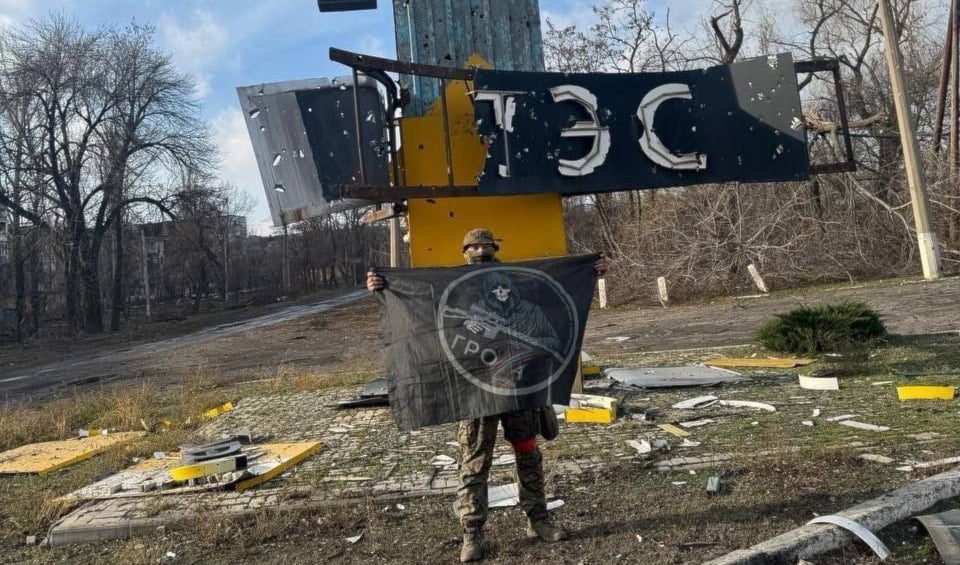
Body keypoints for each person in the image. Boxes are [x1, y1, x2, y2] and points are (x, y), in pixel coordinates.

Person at [366, 228, 609, 563]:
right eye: (473, 246)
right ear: (465, 251)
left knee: (528, 457)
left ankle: (538, 520)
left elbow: (555, 310)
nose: (479, 250)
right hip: (475, 395)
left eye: (485, 245)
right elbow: (420, 311)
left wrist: (588, 274)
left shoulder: (525, 293)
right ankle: (472, 534)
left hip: (519, 394)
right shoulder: (464, 298)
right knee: (475, 465)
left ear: (496, 248)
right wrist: (383, 288)